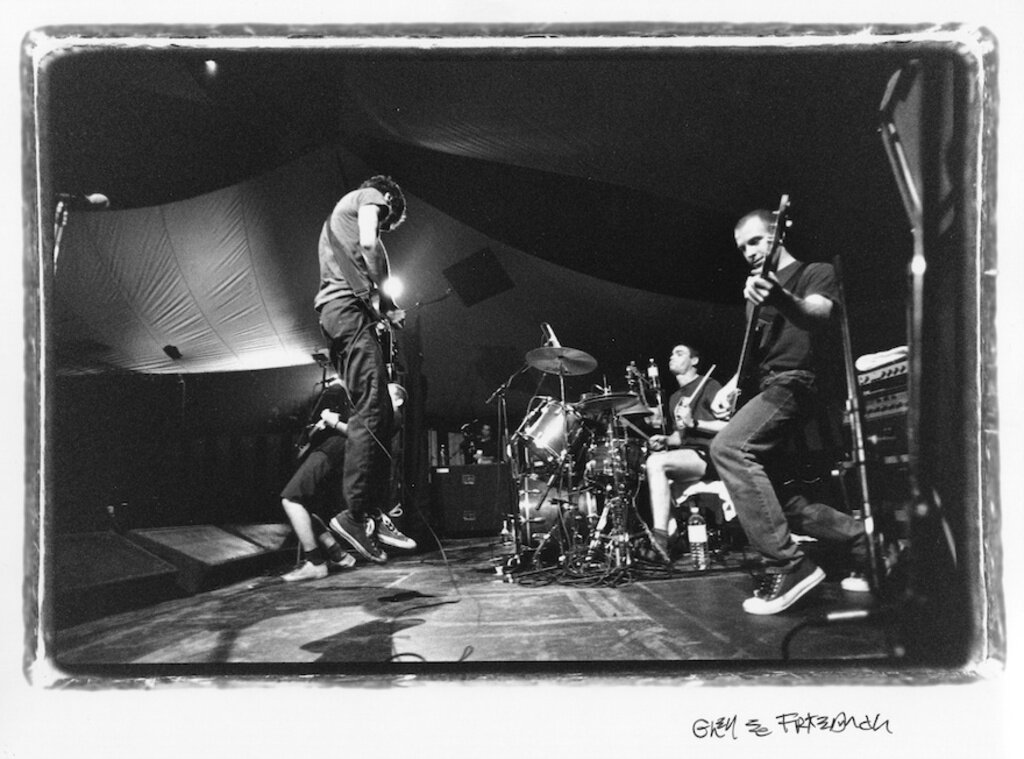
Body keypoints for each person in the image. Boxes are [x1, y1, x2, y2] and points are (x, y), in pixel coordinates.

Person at [709, 208, 866, 615]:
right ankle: (865, 544)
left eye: (756, 241)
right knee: (777, 499)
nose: (749, 252)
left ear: (778, 234)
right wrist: (730, 385)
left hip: (800, 382)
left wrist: (778, 295)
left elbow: (817, 313)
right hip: (771, 385)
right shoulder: (755, 297)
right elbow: (758, 356)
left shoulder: (814, 273)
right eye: (742, 247)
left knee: (729, 448)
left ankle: (789, 565)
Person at [314, 175, 410, 563]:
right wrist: (386, 301)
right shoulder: (369, 196)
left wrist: (377, 311)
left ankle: (370, 511)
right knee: (371, 408)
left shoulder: (339, 218)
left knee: (382, 413)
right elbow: (370, 244)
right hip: (345, 313)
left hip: (342, 314)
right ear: (387, 197)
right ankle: (353, 514)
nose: (382, 225)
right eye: (386, 218)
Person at [280, 384, 415, 582]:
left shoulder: (391, 415)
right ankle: (337, 554)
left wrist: (333, 422)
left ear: (399, 400)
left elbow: (360, 434)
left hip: (332, 452)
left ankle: (315, 562)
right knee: (304, 506)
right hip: (334, 453)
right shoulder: (383, 415)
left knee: (291, 499)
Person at [644, 343, 725, 561]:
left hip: (710, 455)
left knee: (657, 463)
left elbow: (728, 426)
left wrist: (695, 422)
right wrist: (666, 440)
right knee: (651, 462)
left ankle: (660, 540)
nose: (672, 357)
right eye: (671, 353)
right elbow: (681, 437)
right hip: (689, 455)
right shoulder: (674, 398)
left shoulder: (709, 385)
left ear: (694, 361)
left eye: (679, 353)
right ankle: (672, 537)